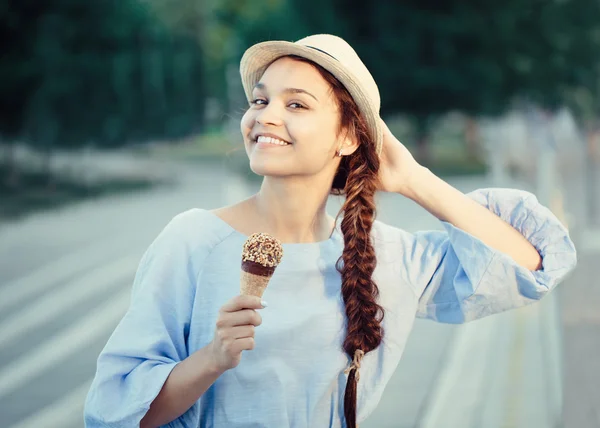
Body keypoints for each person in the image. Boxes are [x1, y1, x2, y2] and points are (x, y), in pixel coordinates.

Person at [83, 34, 577, 428]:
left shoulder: (379, 256)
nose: (265, 116)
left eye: (296, 104)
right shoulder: (191, 241)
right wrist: (211, 358)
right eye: (260, 100)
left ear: (347, 134)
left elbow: (532, 265)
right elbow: (116, 410)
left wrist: (413, 179)